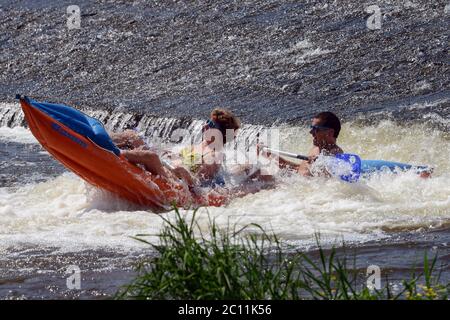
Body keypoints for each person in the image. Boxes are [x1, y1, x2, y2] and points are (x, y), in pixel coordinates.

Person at [262, 111, 343, 176]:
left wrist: (322, 162)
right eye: (311, 128)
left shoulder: (335, 153)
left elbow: (327, 181)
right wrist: (270, 155)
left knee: (257, 172)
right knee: (255, 167)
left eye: (316, 129)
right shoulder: (316, 148)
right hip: (291, 183)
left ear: (330, 133)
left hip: (296, 190)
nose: (311, 132)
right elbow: (298, 169)